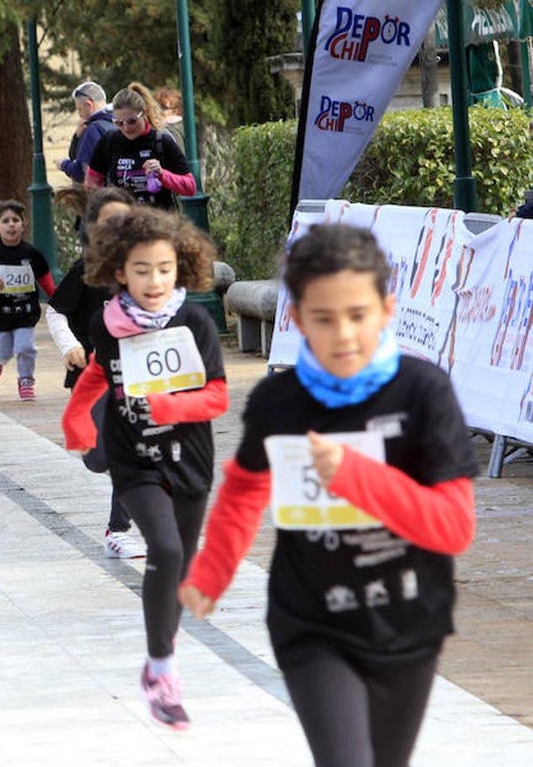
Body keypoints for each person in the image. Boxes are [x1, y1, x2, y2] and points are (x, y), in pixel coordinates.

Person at [179, 223, 478, 766]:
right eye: (323, 318)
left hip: (408, 620)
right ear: (296, 320)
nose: (343, 335)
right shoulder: (278, 401)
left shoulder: (423, 391)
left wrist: (356, 476)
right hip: (311, 620)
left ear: (386, 310)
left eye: (358, 315)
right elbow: (245, 491)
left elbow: (453, 526)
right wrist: (211, 573)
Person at [62, 207, 228, 730]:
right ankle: (162, 671)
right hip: (134, 457)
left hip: (191, 459)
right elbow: (97, 373)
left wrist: (170, 407)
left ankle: (161, 652)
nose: (154, 281)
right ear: (119, 272)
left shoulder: (195, 322)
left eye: (163, 268)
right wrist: (77, 422)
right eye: (141, 270)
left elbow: (218, 397)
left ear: (180, 268)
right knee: (166, 548)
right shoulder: (107, 324)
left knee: (182, 565)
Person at [47, 185, 145, 558]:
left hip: (135, 377)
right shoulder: (86, 270)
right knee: (98, 458)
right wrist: (70, 345)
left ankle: (118, 530)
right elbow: (56, 312)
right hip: (92, 378)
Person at [0, 199, 56, 401]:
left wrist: (56, 297)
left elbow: (44, 277)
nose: (11, 224)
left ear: (23, 223)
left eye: (15, 220)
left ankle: (26, 379)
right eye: (6, 221)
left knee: (25, 346)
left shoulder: (31, 253)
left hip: (25, 311)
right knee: (4, 349)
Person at [86, 82, 195, 210]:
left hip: (159, 221)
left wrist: (162, 174)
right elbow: (91, 184)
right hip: (122, 222)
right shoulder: (109, 142)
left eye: (132, 121)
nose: (126, 128)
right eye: (119, 123)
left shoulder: (161, 141)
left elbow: (190, 187)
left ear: (143, 114)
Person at [59, 81, 116, 184]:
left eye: (80, 109)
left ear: (89, 105)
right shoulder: (119, 123)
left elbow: (81, 170)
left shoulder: (93, 129)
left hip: (101, 192)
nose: (80, 115)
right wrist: (77, 136)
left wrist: (63, 164)